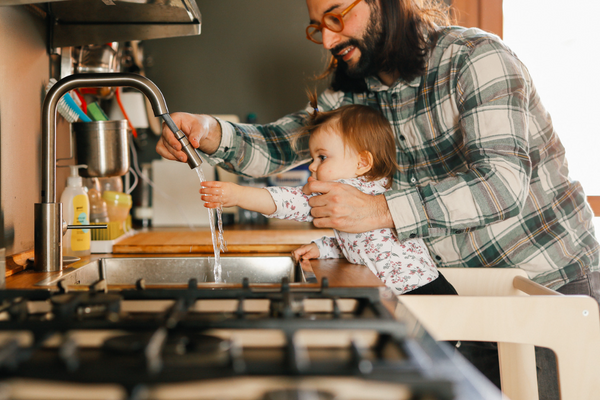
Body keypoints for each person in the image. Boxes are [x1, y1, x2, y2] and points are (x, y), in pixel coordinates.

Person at [156, 0, 600, 396]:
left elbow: (500, 187)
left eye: (336, 16)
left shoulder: (474, 59)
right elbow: (278, 144)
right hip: (453, 295)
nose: (328, 39)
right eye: (318, 26)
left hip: (546, 288)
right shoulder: (349, 92)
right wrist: (209, 132)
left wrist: (378, 210)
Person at [200, 100, 457, 296]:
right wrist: (323, 247)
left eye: (322, 157)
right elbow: (364, 244)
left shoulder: (355, 191)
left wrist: (237, 194)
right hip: (421, 288)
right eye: (312, 158)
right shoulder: (369, 193)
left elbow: (290, 202)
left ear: (362, 163)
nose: (312, 166)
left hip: (419, 292)